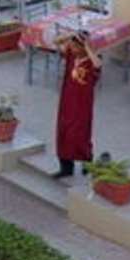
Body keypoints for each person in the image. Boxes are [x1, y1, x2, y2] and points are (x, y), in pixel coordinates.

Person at [53, 31, 99, 178]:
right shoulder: (71, 57)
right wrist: (71, 35)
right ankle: (66, 167)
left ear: (83, 47)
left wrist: (88, 47)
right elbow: (56, 41)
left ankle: (87, 162)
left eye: (75, 46)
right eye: (71, 46)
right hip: (66, 101)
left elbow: (98, 65)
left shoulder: (91, 62)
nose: (71, 48)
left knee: (80, 133)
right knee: (64, 132)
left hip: (82, 105)